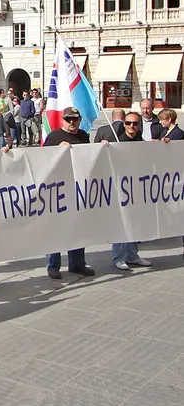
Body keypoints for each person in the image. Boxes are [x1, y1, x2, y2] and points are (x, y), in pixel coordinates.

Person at [42, 107, 96, 279]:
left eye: (75, 119)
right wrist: (58, 149)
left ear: (80, 120)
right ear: (62, 121)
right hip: (58, 189)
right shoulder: (53, 137)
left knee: (78, 227)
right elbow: (42, 161)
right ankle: (53, 265)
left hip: (79, 186)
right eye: (68, 119)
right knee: (56, 229)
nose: (72, 122)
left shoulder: (83, 135)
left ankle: (77, 263)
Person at [106, 111, 153, 270]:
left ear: (139, 125)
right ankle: (118, 257)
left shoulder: (141, 141)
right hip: (121, 189)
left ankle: (132, 255)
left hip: (138, 188)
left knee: (135, 223)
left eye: (135, 123)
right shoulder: (118, 141)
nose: (132, 126)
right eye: (128, 123)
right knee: (121, 223)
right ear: (123, 124)